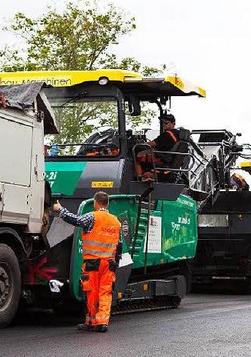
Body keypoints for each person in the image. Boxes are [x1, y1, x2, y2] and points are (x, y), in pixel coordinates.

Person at [53, 192, 122, 332]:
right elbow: (119, 245)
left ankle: (91, 322)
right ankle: (102, 322)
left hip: (93, 264)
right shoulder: (116, 221)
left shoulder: (92, 217)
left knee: (91, 292)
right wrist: (116, 262)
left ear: (96, 203)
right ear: (107, 204)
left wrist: (60, 210)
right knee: (105, 293)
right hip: (109, 264)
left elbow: (76, 220)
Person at [136, 114, 180, 179]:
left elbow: (150, 144)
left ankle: (139, 177)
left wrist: (137, 145)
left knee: (137, 157)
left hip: (162, 158)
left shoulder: (166, 135)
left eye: (166, 123)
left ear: (173, 123)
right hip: (168, 158)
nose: (164, 124)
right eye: (162, 122)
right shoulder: (177, 134)